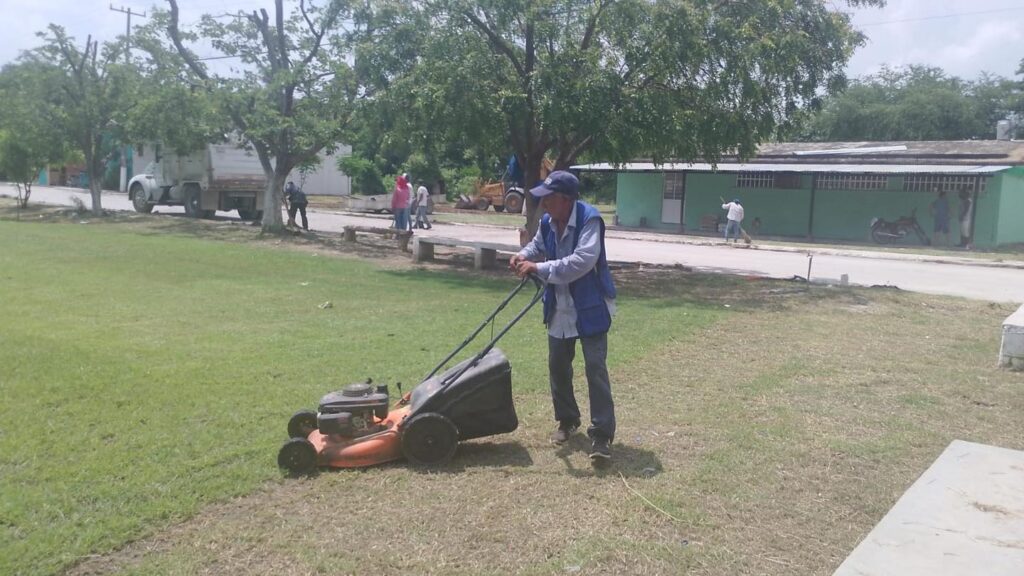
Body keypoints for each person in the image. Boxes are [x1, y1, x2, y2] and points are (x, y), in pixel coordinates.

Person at [509, 171, 618, 462]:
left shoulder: (589, 220)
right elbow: (537, 246)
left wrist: (539, 268)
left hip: (590, 305)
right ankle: (567, 420)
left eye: (549, 197)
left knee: (595, 368)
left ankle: (602, 436)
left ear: (566, 200)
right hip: (559, 305)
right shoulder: (548, 221)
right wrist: (522, 255)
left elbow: (583, 261)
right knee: (558, 366)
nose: (543, 203)